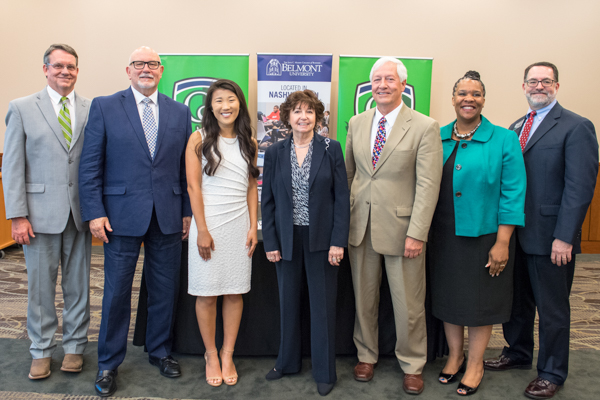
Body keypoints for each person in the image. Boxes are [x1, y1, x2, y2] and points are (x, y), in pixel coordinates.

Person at [78, 46, 192, 397]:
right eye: (139, 64)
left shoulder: (181, 111)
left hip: (168, 215)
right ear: (128, 70)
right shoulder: (105, 106)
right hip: (119, 217)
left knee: (164, 289)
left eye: (152, 64)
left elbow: (185, 169)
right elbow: (90, 164)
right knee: (115, 294)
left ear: (161, 71)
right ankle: (109, 362)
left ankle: (160, 350)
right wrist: (94, 211)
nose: (146, 69)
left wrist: (186, 210)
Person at [484, 62, 599, 399]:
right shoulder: (517, 126)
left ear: (557, 86)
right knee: (516, 301)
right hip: (515, 234)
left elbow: (579, 189)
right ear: (523, 86)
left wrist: (565, 236)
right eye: (532, 81)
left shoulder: (577, 127)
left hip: (551, 238)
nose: (539, 86)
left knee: (552, 308)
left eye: (545, 81)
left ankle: (551, 372)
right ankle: (517, 352)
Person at [345, 57, 443, 395]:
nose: (382, 85)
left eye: (389, 79)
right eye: (377, 79)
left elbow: (429, 185)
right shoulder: (356, 123)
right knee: (364, 299)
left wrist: (417, 232)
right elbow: (350, 175)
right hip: (361, 227)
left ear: (403, 85)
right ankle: (366, 355)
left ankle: (413, 364)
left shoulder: (424, 126)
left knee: (408, 304)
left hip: (404, 232)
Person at [429, 71, 526, 396]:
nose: (468, 99)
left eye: (476, 94)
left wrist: (503, 242)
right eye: (462, 93)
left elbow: (513, 192)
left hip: (485, 237)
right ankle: (455, 357)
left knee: (480, 303)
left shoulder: (503, 139)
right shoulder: (437, 135)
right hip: (443, 237)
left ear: (483, 100)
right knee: (450, 300)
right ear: (453, 99)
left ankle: (476, 363)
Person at [2, 43, 92, 380]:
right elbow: (12, 167)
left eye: (71, 67)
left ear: (77, 71)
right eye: (58, 67)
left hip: (80, 214)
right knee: (41, 288)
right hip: (37, 217)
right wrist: (17, 216)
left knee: (79, 286)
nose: (65, 72)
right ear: (45, 69)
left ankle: (74, 347)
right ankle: (41, 350)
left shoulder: (89, 108)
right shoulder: (22, 107)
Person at [261, 90, 350, 396]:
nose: (303, 117)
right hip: (286, 239)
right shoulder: (274, 152)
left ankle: (325, 371)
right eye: (297, 111)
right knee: (288, 303)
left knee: (322, 307)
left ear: (318, 117)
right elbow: (268, 202)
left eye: (309, 112)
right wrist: (270, 241)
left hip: (322, 241)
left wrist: (339, 241)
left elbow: (342, 200)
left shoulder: (332, 149)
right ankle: (286, 362)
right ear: (287, 116)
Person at [186, 79, 259, 387]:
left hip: (239, 226)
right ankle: (211, 354)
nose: (225, 106)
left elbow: (252, 186)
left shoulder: (249, 141)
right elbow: (194, 187)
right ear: (210, 106)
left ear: (239, 104)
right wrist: (202, 229)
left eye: (230, 100)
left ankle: (228, 352)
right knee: (206, 293)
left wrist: (254, 226)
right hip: (209, 225)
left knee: (234, 290)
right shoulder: (198, 139)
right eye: (218, 100)